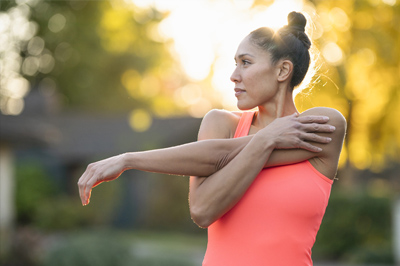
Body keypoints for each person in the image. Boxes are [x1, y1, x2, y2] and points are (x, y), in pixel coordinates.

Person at [78, 11, 346, 265]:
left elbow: (220, 156)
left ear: (282, 71)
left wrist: (265, 139)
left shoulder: (324, 126)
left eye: (246, 62)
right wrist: (127, 159)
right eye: (235, 64)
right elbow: (203, 211)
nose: (233, 76)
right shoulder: (221, 124)